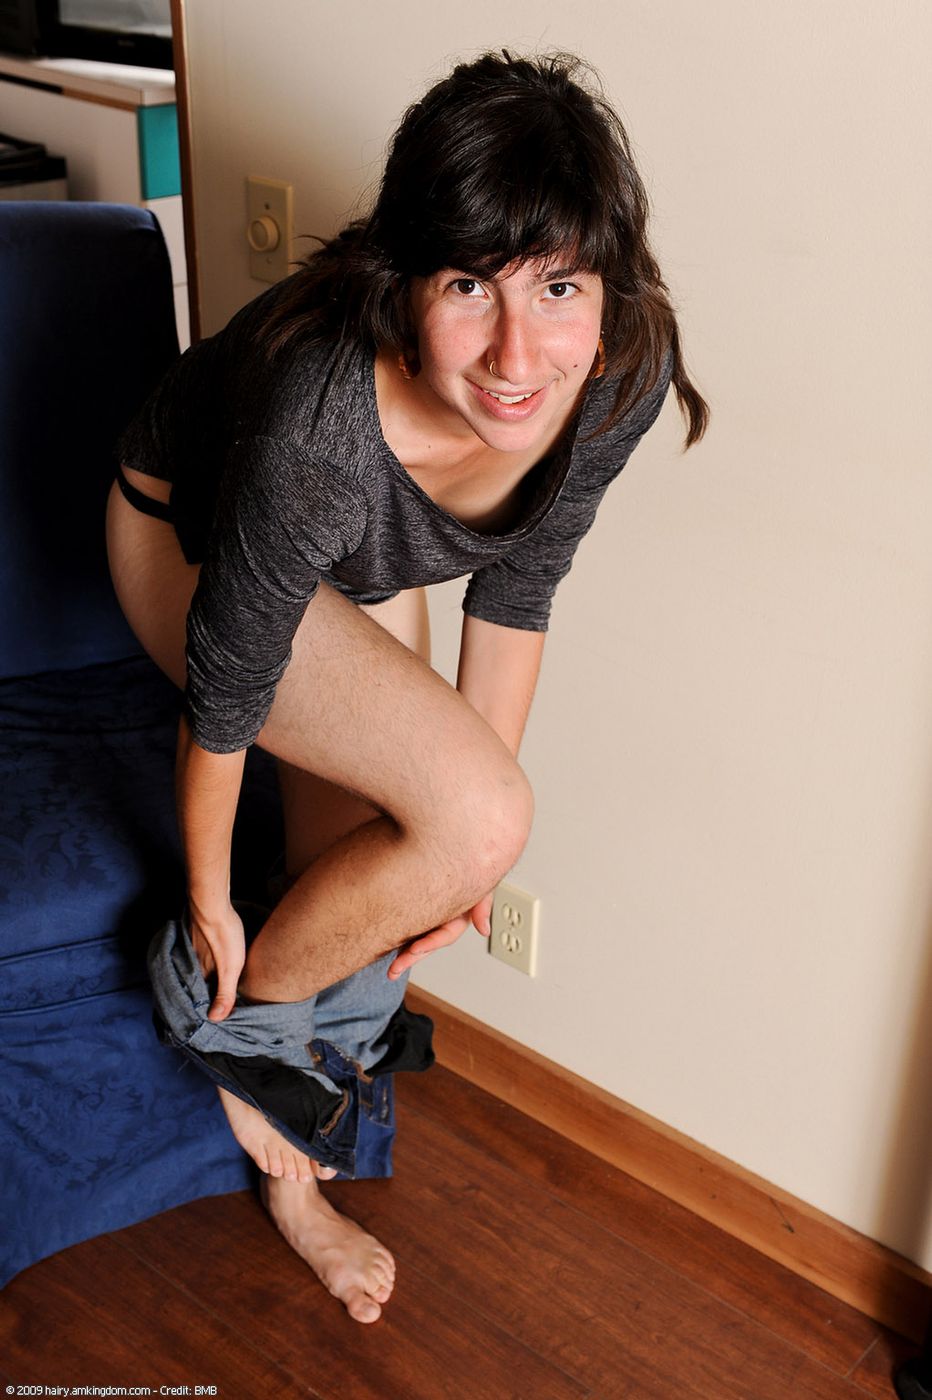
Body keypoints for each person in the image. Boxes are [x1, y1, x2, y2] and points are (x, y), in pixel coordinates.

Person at [106, 50, 708, 1325]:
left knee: (428, 839)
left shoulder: (613, 375)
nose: (516, 352)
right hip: (191, 533)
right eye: (466, 285)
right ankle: (231, 1031)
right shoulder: (318, 428)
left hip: (362, 553)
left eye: (557, 287)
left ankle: (289, 1156)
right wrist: (210, 901)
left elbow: (519, 588)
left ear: (608, 291)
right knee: (472, 812)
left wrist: (460, 871)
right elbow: (228, 689)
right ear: (403, 282)